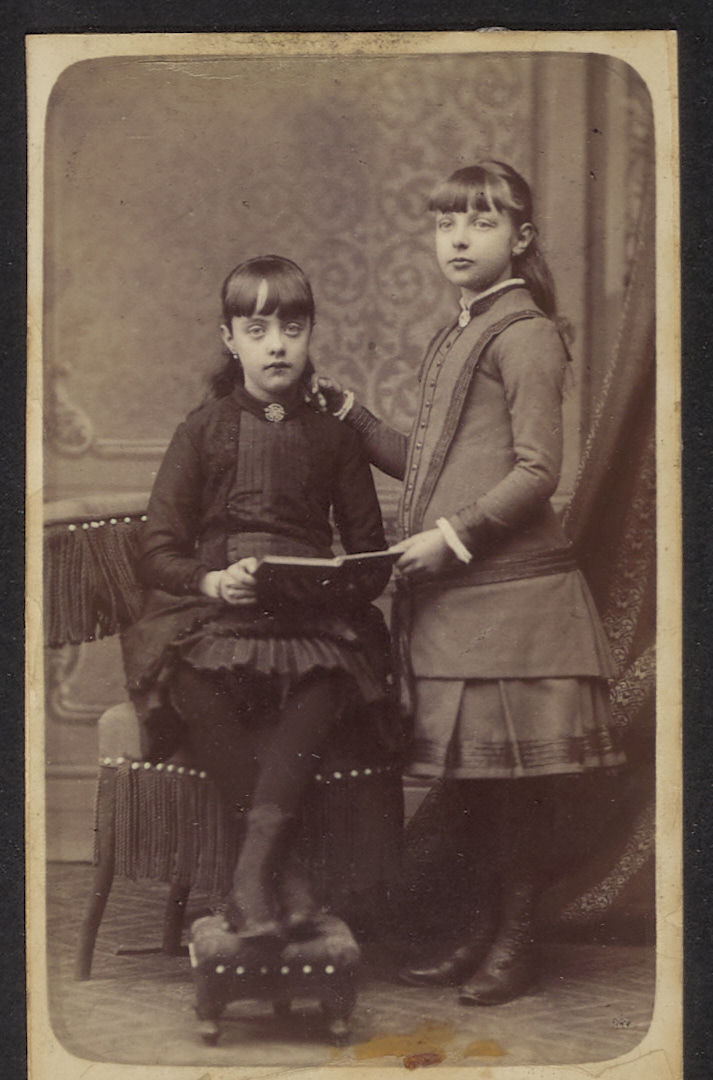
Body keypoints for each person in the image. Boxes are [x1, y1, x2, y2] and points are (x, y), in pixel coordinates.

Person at [313, 161, 624, 1004]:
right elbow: (427, 464)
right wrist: (352, 415)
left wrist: (450, 539)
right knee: (483, 787)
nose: (457, 237)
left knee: (513, 792)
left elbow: (538, 471)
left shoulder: (524, 332)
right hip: (463, 605)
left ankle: (516, 941)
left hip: (515, 604)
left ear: (519, 239)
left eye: (481, 222)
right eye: (446, 221)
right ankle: (482, 930)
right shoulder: (460, 331)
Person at [121, 255, 396, 947]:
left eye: (292, 329)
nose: (277, 345)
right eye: (257, 329)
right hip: (217, 617)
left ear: (310, 334)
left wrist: (324, 580)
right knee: (189, 674)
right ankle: (284, 874)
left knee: (326, 678)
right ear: (230, 338)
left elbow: (369, 560)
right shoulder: (202, 429)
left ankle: (250, 876)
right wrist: (212, 581)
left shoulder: (335, 436)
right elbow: (156, 549)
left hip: (309, 626)